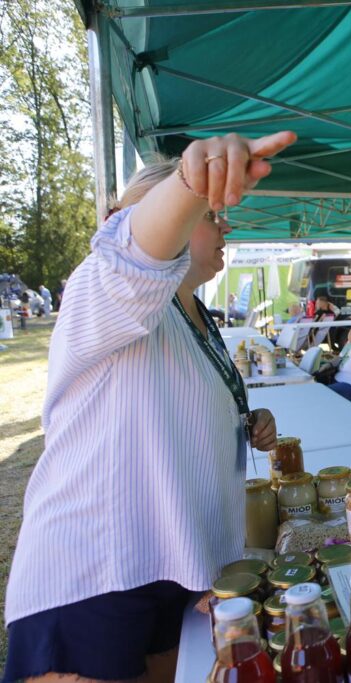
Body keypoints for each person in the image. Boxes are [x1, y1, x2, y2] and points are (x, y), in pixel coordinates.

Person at [3, 130, 296, 683]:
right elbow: (133, 257)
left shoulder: (197, 316)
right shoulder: (105, 286)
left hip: (178, 569)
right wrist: (190, 181)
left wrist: (246, 421)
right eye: (211, 215)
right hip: (97, 574)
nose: (225, 226)